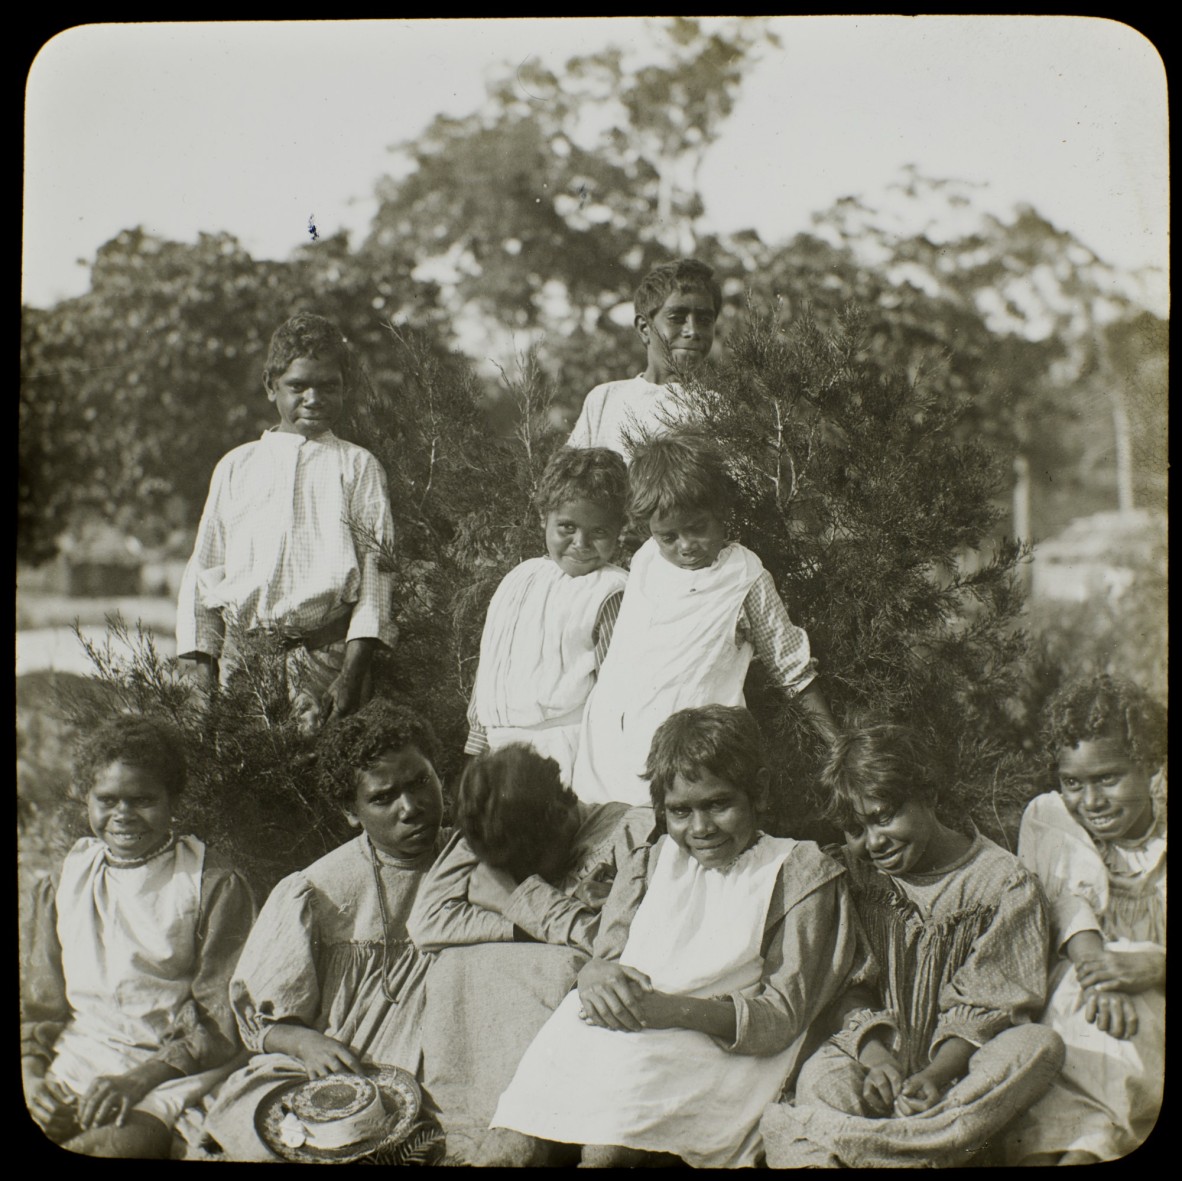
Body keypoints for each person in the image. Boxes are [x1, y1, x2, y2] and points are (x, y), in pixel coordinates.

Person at [480, 705, 867, 1168]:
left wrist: (672, 1011)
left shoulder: (798, 873)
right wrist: (594, 973)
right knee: (512, 1142)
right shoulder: (651, 861)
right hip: (622, 1023)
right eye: (681, 811)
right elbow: (609, 952)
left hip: (711, 1038)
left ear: (758, 792)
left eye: (718, 804)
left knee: (608, 1150)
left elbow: (783, 1015)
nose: (700, 828)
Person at [761, 722, 1064, 1169]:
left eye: (884, 817)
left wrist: (936, 1074)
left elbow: (991, 1002)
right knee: (819, 1078)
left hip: (961, 1069)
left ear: (930, 796)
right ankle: (918, 1152)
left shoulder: (1001, 883)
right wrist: (878, 1057)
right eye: (855, 828)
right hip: (872, 1057)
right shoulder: (852, 878)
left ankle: (850, 1147)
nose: (874, 841)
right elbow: (849, 981)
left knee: (1038, 1046)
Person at [200, 698, 447, 1161]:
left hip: (436, 1062)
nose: (411, 807)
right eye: (382, 797)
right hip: (334, 1064)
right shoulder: (318, 889)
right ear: (351, 812)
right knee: (265, 1128)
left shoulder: (473, 858)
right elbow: (261, 1017)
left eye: (421, 782)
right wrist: (303, 1041)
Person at [21, 717, 255, 1158]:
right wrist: (32, 1078)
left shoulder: (211, 884)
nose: (123, 815)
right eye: (107, 800)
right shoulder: (64, 880)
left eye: (142, 800)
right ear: (85, 799)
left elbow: (219, 1016)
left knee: (129, 1144)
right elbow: (41, 1003)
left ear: (172, 801)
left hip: (174, 1064)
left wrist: (140, 1079)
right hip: (82, 1052)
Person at [408, 744, 652, 1161]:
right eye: (511, 868)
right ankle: (468, 1135)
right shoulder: (494, 819)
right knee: (452, 965)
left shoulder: (631, 829)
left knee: (556, 968)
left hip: (583, 1029)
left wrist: (523, 897)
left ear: (561, 813)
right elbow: (426, 922)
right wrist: (525, 924)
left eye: (529, 862)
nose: (521, 871)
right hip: (494, 1046)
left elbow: (623, 945)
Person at [572, 430, 836, 806]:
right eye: (669, 536)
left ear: (721, 513)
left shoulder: (744, 578)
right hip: (609, 755)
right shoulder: (647, 559)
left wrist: (837, 748)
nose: (685, 546)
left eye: (698, 528)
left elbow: (792, 669)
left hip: (695, 765)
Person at [176, 312, 397, 728]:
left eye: (328, 386)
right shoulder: (237, 467)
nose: (314, 398)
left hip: (327, 661)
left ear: (345, 390)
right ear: (270, 386)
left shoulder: (358, 466)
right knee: (246, 777)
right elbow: (202, 572)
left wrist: (351, 674)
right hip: (247, 662)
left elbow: (376, 578)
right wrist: (202, 675)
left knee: (323, 779)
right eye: (298, 386)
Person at [1006, 675, 1166, 1166]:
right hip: (1073, 998)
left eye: (1108, 778)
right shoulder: (1055, 821)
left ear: (1152, 768)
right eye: (1073, 782)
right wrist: (1098, 972)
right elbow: (1065, 901)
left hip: (1149, 1008)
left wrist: (1152, 967)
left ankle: (1094, 1144)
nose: (1090, 802)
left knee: (1107, 1093)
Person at [464, 447, 628, 785]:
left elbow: (617, 690)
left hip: (567, 753)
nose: (580, 543)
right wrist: (478, 744)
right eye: (567, 527)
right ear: (544, 518)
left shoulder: (612, 591)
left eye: (598, 532)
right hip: (498, 749)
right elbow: (492, 665)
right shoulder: (520, 577)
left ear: (619, 530)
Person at [566, 258, 721, 461]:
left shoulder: (716, 408)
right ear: (644, 328)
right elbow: (571, 482)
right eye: (676, 318)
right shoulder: (605, 399)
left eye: (705, 320)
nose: (692, 331)